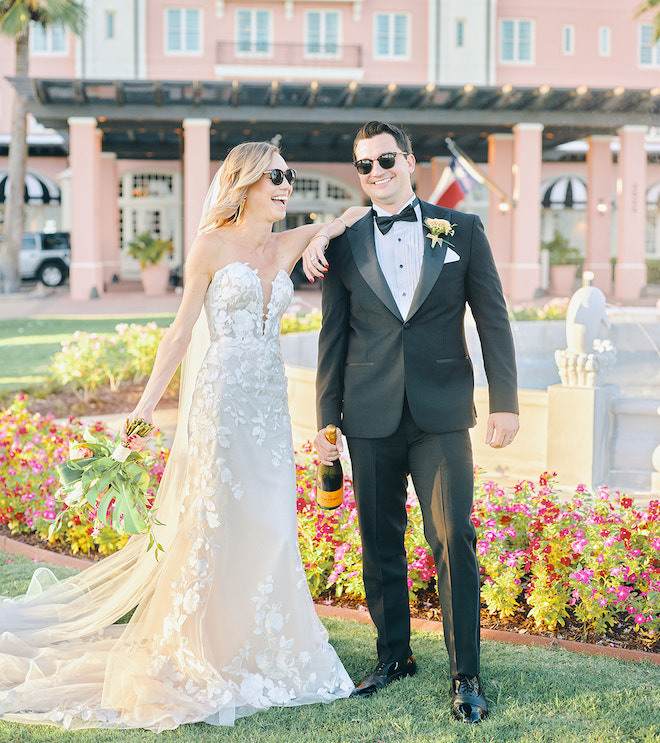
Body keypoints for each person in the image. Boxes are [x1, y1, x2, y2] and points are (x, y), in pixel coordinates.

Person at [0, 141, 368, 731]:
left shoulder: (287, 242)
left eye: (289, 176)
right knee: (217, 525)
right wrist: (143, 411)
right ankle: (204, 651)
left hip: (269, 410)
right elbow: (179, 334)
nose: (286, 185)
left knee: (272, 524)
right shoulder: (211, 246)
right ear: (244, 182)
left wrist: (324, 236)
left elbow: (349, 215)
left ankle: (263, 645)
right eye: (275, 176)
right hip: (220, 407)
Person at [303, 121, 519, 724]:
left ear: (410, 160)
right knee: (379, 542)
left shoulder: (465, 231)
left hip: (442, 415)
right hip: (368, 413)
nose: (376, 172)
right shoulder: (342, 244)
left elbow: (493, 320)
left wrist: (506, 400)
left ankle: (466, 674)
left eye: (386, 159)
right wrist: (327, 418)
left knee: (454, 538)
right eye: (364, 165)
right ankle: (394, 655)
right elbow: (333, 336)